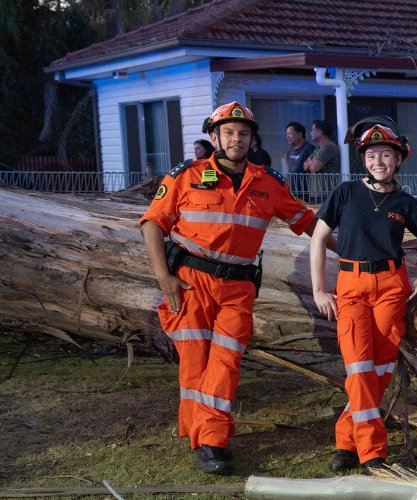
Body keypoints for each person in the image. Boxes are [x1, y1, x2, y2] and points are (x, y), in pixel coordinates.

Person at [139, 101, 317, 474]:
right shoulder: (186, 175)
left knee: (226, 361)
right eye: (229, 132)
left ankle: (211, 442)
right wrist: (163, 278)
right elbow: (153, 223)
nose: (236, 139)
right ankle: (195, 430)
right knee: (195, 360)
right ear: (215, 136)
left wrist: (356, 247)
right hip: (190, 283)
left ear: (253, 139)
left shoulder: (268, 182)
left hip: (238, 286)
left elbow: (308, 221)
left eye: (243, 133)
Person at [309, 119, 417, 473]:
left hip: (392, 288)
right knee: (358, 367)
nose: (378, 161)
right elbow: (317, 239)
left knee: (380, 371)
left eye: (385, 155)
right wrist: (318, 291)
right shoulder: (345, 192)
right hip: (351, 288)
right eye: (372, 155)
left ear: (399, 159)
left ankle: (346, 441)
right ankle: (371, 451)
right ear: (364, 159)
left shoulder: (404, 202)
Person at [304, 119, 339, 201]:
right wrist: (311, 163)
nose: (311, 132)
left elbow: (314, 168)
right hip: (316, 193)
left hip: (325, 193)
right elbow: (305, 166)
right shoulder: (318, 148)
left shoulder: (328, 147)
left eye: (313, 130)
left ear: (320, 132)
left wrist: (311, 163)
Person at [284, 122, 315, 196]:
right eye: (286, 134)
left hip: (306, 193)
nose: (287, 136)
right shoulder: (289, 151)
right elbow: (287, 166)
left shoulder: (310, 149)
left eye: (290, 134)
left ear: (300, 134)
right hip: (291, 192)